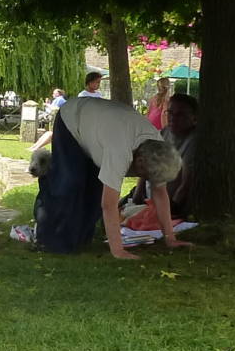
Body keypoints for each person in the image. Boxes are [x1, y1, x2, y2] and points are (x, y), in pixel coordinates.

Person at [30, 95, 186, 257]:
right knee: (68, 183)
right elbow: (109, 205)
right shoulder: (121, 151)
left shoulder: (158, 148)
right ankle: (46, 237)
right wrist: (118, 250)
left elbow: (160, 193)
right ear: (138, 162)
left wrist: (170, 238)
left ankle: (79, 239)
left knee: (94, 193)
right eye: (145, 176)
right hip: (72, 118)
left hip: (98, 130)